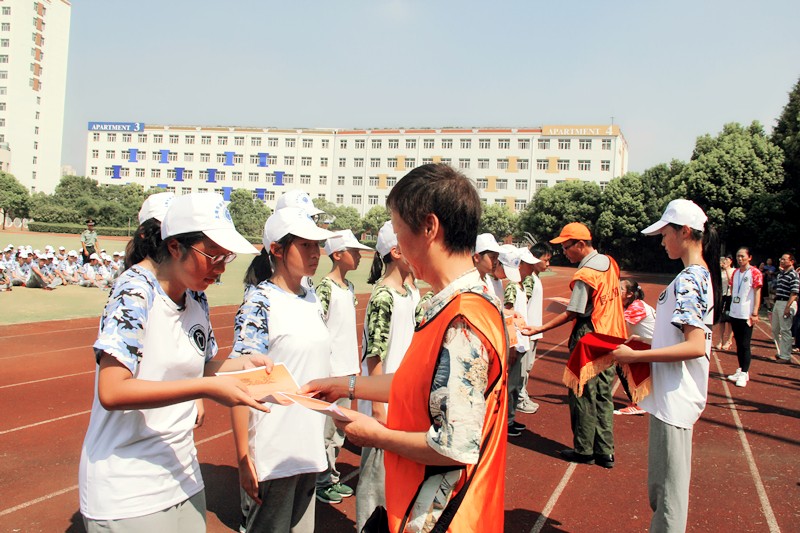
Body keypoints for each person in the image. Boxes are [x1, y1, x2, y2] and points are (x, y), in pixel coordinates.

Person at [303, 163, 509, 532]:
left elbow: (453, 446)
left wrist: (375, 436)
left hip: (445, 517)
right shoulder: (454, 306)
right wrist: (346, 385)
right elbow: (419, 385)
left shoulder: (463, 321)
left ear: (429, 227)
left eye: (398, 230)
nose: (396, 244)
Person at [78, 192, 272, 532]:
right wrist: (206, 388)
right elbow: (112, 391)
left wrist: (243, 365)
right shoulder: (134, 291)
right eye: (212, 255)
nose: (220, 268)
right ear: (174, 247)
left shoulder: (195, 295)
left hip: (182, 472)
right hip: (128, 486)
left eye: (226, 257)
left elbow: (202, 367)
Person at [611, 198, 721, 533]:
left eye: (664, 234)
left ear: (684, 232)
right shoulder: (694, 276)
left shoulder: (691, 279)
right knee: (662, 492)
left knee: (668, 497)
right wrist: (645, 346)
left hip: (676, 399)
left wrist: (635, 357)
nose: (661, 241)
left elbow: (694, 346)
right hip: (670, 397)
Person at [230, 207, 335, 533]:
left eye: (317, 245)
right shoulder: (260, 302)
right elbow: (240, 384)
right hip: (274, 452)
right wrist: (243, 459)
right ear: (276, 249)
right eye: (305, 245)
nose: (315, 253)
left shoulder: (312, 299)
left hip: (309, 447)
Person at [521, 222, 625, 469]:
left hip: (589, 336)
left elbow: (573, 312)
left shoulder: (585, 274)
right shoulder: (610, 263)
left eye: (566, 247)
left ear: (580, 244)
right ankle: (605, 450)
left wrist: (539, 329)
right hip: (611, 334)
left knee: (582, 392)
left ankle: (584, 449)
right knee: (603, 394)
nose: (564, 252)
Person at [353, 220, 417, 531]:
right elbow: (374, 354)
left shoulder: (409, 292)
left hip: (403, 400)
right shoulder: (383, 296)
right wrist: (379, 409)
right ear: (396, 251)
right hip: (385, 405)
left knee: (395, 482)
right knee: (375, 483)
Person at [314, 229, 372, 505]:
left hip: (347, 369)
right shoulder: (325, 289)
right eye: (354, 251)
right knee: (327, 431)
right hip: (332, 371)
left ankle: (331, 477)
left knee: (339, 431)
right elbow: (319, 329)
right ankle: (322, 481)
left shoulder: (348, 287)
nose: (359, 256)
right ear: (337, 255)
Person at [502, 246, 539, 437]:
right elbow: (508, 314)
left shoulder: (523, 286)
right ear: (520, 265)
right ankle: (505, 421)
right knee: (511, 385)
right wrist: (513, 344)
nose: (532, 268)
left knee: (517, 385)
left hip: (523, 340)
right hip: (516, 342)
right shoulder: (512, 287)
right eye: (529, 265)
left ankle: (510, 417)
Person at [518, 242, 554, 416]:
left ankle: (522, 394)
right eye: (545, 260)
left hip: (534, 330)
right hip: (528, 331)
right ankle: (520, 398)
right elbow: (522, 304)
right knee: (523, 368)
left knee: (528, 366)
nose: (548, 264)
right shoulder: (529, 279)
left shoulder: (535, 278)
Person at [614, 279, 656, 416]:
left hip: (652, 347)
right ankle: (639, 398)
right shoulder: (634, 305)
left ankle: (638, 403)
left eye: (620, 289)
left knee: (621, 361)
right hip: (650, 344)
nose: (615, 290)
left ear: (629, 294)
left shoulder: (636, 307)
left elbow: (616, 322)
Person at [726, 247, 762, 388]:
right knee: (739, 343)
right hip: (735, 312)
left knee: (745, 344)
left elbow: (757, 293)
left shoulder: (755, 272)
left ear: (749, 257)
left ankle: (745, 372)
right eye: (738, 256)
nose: (740, 259)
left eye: (742, 256)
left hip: (746, 314)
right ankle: (741, 369)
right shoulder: (735, 272)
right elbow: (732, 289)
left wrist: (755, 312)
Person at [771, 253, 798, 363]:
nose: (781, 261)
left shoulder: (793, 275)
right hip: (778, 302)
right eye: (781, 259)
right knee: (775, 329)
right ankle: (781, 352)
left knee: (785, 329)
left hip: (787, 302)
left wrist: (788, 307)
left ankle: (785, 356)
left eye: (784, 259)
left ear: (791, 261)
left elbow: (794, 292)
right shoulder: (781, 274)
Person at [714, 255, 735, 351]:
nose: (725, 261)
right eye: (724, 260)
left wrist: (726, 269)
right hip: (722, 295)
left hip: (730, 295)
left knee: (730, 320)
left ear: (731, 261)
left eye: (727, 259)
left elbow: (731, 281)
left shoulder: (733, 271)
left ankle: (729, 340)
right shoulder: (720, 272)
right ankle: (720, 340)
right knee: (721, 320)